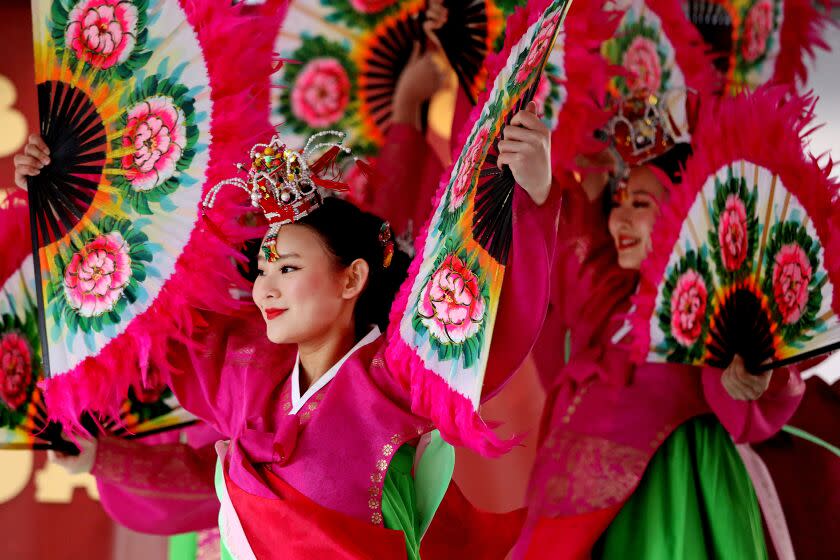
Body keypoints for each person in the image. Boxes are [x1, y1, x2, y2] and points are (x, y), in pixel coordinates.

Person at [19, 91, 558, 557]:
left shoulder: (395, 381)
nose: (265, 289)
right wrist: (61, 199)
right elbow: (138, 298)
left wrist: (535, 198)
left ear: (352, 280)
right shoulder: (245, 374)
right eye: (263, 270)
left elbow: (494, 328)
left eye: (289, 268)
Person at [514, 96, 805, 559]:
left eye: (641, 203)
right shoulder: (613, 301)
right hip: (582, 516)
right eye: (620, 200)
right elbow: (575, 253)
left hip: (675, 497)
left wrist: (758, 376)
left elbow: (754, 375)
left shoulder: (714, 305)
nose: (620, 218)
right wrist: (541, 188)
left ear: (684, 212)